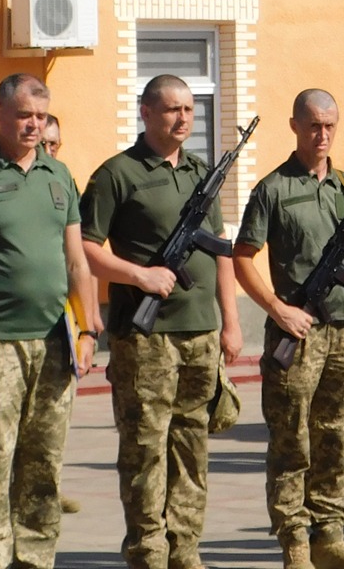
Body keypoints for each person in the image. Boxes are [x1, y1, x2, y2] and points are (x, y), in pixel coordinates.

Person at [82, 75, 245, 569]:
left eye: (190, 110)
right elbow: (86, 250)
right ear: (146, 113)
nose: (183, 119)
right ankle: (148, 550)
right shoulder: (117, 174)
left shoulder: (201, 173)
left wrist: (231, 322)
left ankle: (186, 549)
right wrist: (140, 275)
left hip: (201, 330)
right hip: (145, 336)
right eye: (172, 109)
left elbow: (221, 251)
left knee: (192, 445)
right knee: (145, 448)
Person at [0, 74, 101, 569]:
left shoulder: (59, 176)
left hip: (55, 342)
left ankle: (36, 558)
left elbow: (77, 262)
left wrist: (90, 328)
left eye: (40, 116)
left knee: (44, 465)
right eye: (24, 115)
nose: (33, 125)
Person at [234, 90, 344, 569]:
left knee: (334, 436)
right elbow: (242, 259)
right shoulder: (272, 189)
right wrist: (278, 310)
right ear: (296, 125)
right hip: (296, 335)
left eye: (330, 126)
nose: (322, 135)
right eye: (314, 125)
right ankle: (295, 543)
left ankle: (329, 536)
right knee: (290, 441)